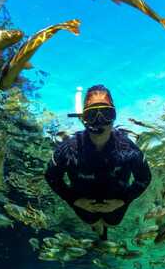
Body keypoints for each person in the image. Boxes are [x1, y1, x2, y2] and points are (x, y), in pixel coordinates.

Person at [45, 85, 152, 240]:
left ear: (114, 116)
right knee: (91, 220)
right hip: (84, 202)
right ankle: (98, 228)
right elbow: (51, 176)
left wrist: (123, 200)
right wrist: (74, 199)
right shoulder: (68, 150)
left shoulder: (129, 149)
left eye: (107, 114)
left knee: (113, 222)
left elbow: (145, 178)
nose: (99, 121)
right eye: (92, 115)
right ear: (83, 118)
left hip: (116, 201)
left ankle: (103, 229)